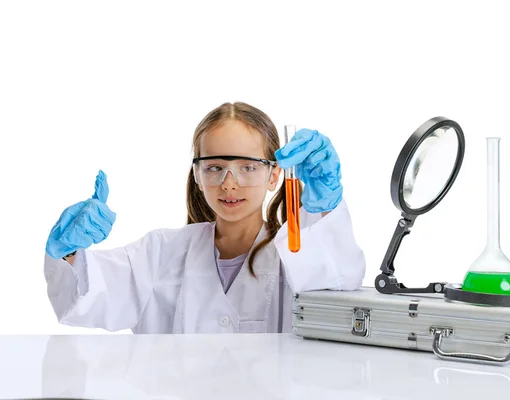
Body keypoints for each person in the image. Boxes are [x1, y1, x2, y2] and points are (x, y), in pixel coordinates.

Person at [44, 101, 366, 334]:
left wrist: (324, 211)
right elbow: (89, 296)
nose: (229, 182)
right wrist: (68, 250)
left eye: (247, 167)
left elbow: (336, 297)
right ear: (198, 175)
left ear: (274, 175)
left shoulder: (298, 257)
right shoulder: (161, 253)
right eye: (215, 167)